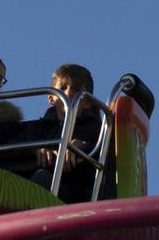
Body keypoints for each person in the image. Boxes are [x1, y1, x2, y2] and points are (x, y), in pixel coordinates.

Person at [32, 63, 105, 203]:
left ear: (88, 102)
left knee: (42, 179)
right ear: (51, 98)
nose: (69, 94)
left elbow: (108, 155)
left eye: (77, 90)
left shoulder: (98, 129)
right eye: (62, 88)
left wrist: (84, 147)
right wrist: (38, 149)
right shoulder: (41, 129)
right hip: (48, 184)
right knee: (40, 177)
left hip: (78, 195)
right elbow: (23, 147)